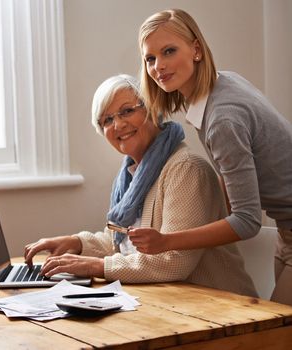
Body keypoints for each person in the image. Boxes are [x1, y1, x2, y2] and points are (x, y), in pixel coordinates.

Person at [24, 74, 257, 295]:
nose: (118, 125)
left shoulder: (185, 169)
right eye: (107, 120)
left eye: (126, 111)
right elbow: (122, 244)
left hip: (220, 310)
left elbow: (173, 261)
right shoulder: (129, 175)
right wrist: (76, 243)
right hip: (169, 304)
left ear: (153, 110)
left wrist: (96, 266)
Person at [129, 8, 292, 304]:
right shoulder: (222, 84)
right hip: (286, 228)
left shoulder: (222, 119)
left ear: (196, 50)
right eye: (150, 58)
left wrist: (167, 241)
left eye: (168, 51)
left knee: (277, 336)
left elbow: (246, 221)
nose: (158, 67)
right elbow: (234, 177)